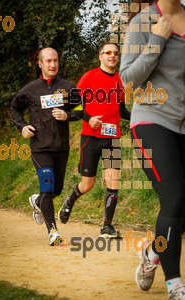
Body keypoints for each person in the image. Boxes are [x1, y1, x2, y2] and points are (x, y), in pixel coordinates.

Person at [120, 0, 185, 298]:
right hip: (152, 118)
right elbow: (128, 78)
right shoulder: (143, 23)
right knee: (174, 197)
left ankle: (152, 253)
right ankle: (174, 284)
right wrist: (157, 40)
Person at [10, 47, 85, 246]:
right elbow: (14, 108)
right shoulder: (30, 89)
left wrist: (67, 115)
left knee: (56, 190)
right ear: (40, 64)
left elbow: (81, 110)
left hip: (61, 148)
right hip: (40, 147)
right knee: (47, 183)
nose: (53, 65)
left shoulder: (68, 87)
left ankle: (37, 201)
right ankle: (53, 231)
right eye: (48, 61)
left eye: (56, 61)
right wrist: (22, 126)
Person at [58, 41, 130, 238]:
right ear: (100, 56)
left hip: (112, 138)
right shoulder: (89, 77)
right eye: (108, 52)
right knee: (87, 183)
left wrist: (138, 116)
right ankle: (69, 201)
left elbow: (121, 110)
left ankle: (107, 226)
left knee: (113, 180)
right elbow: (72, 105)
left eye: (115, 53)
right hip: (90, 137)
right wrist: (89, 119)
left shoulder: (119, 81)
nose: (112, 56)